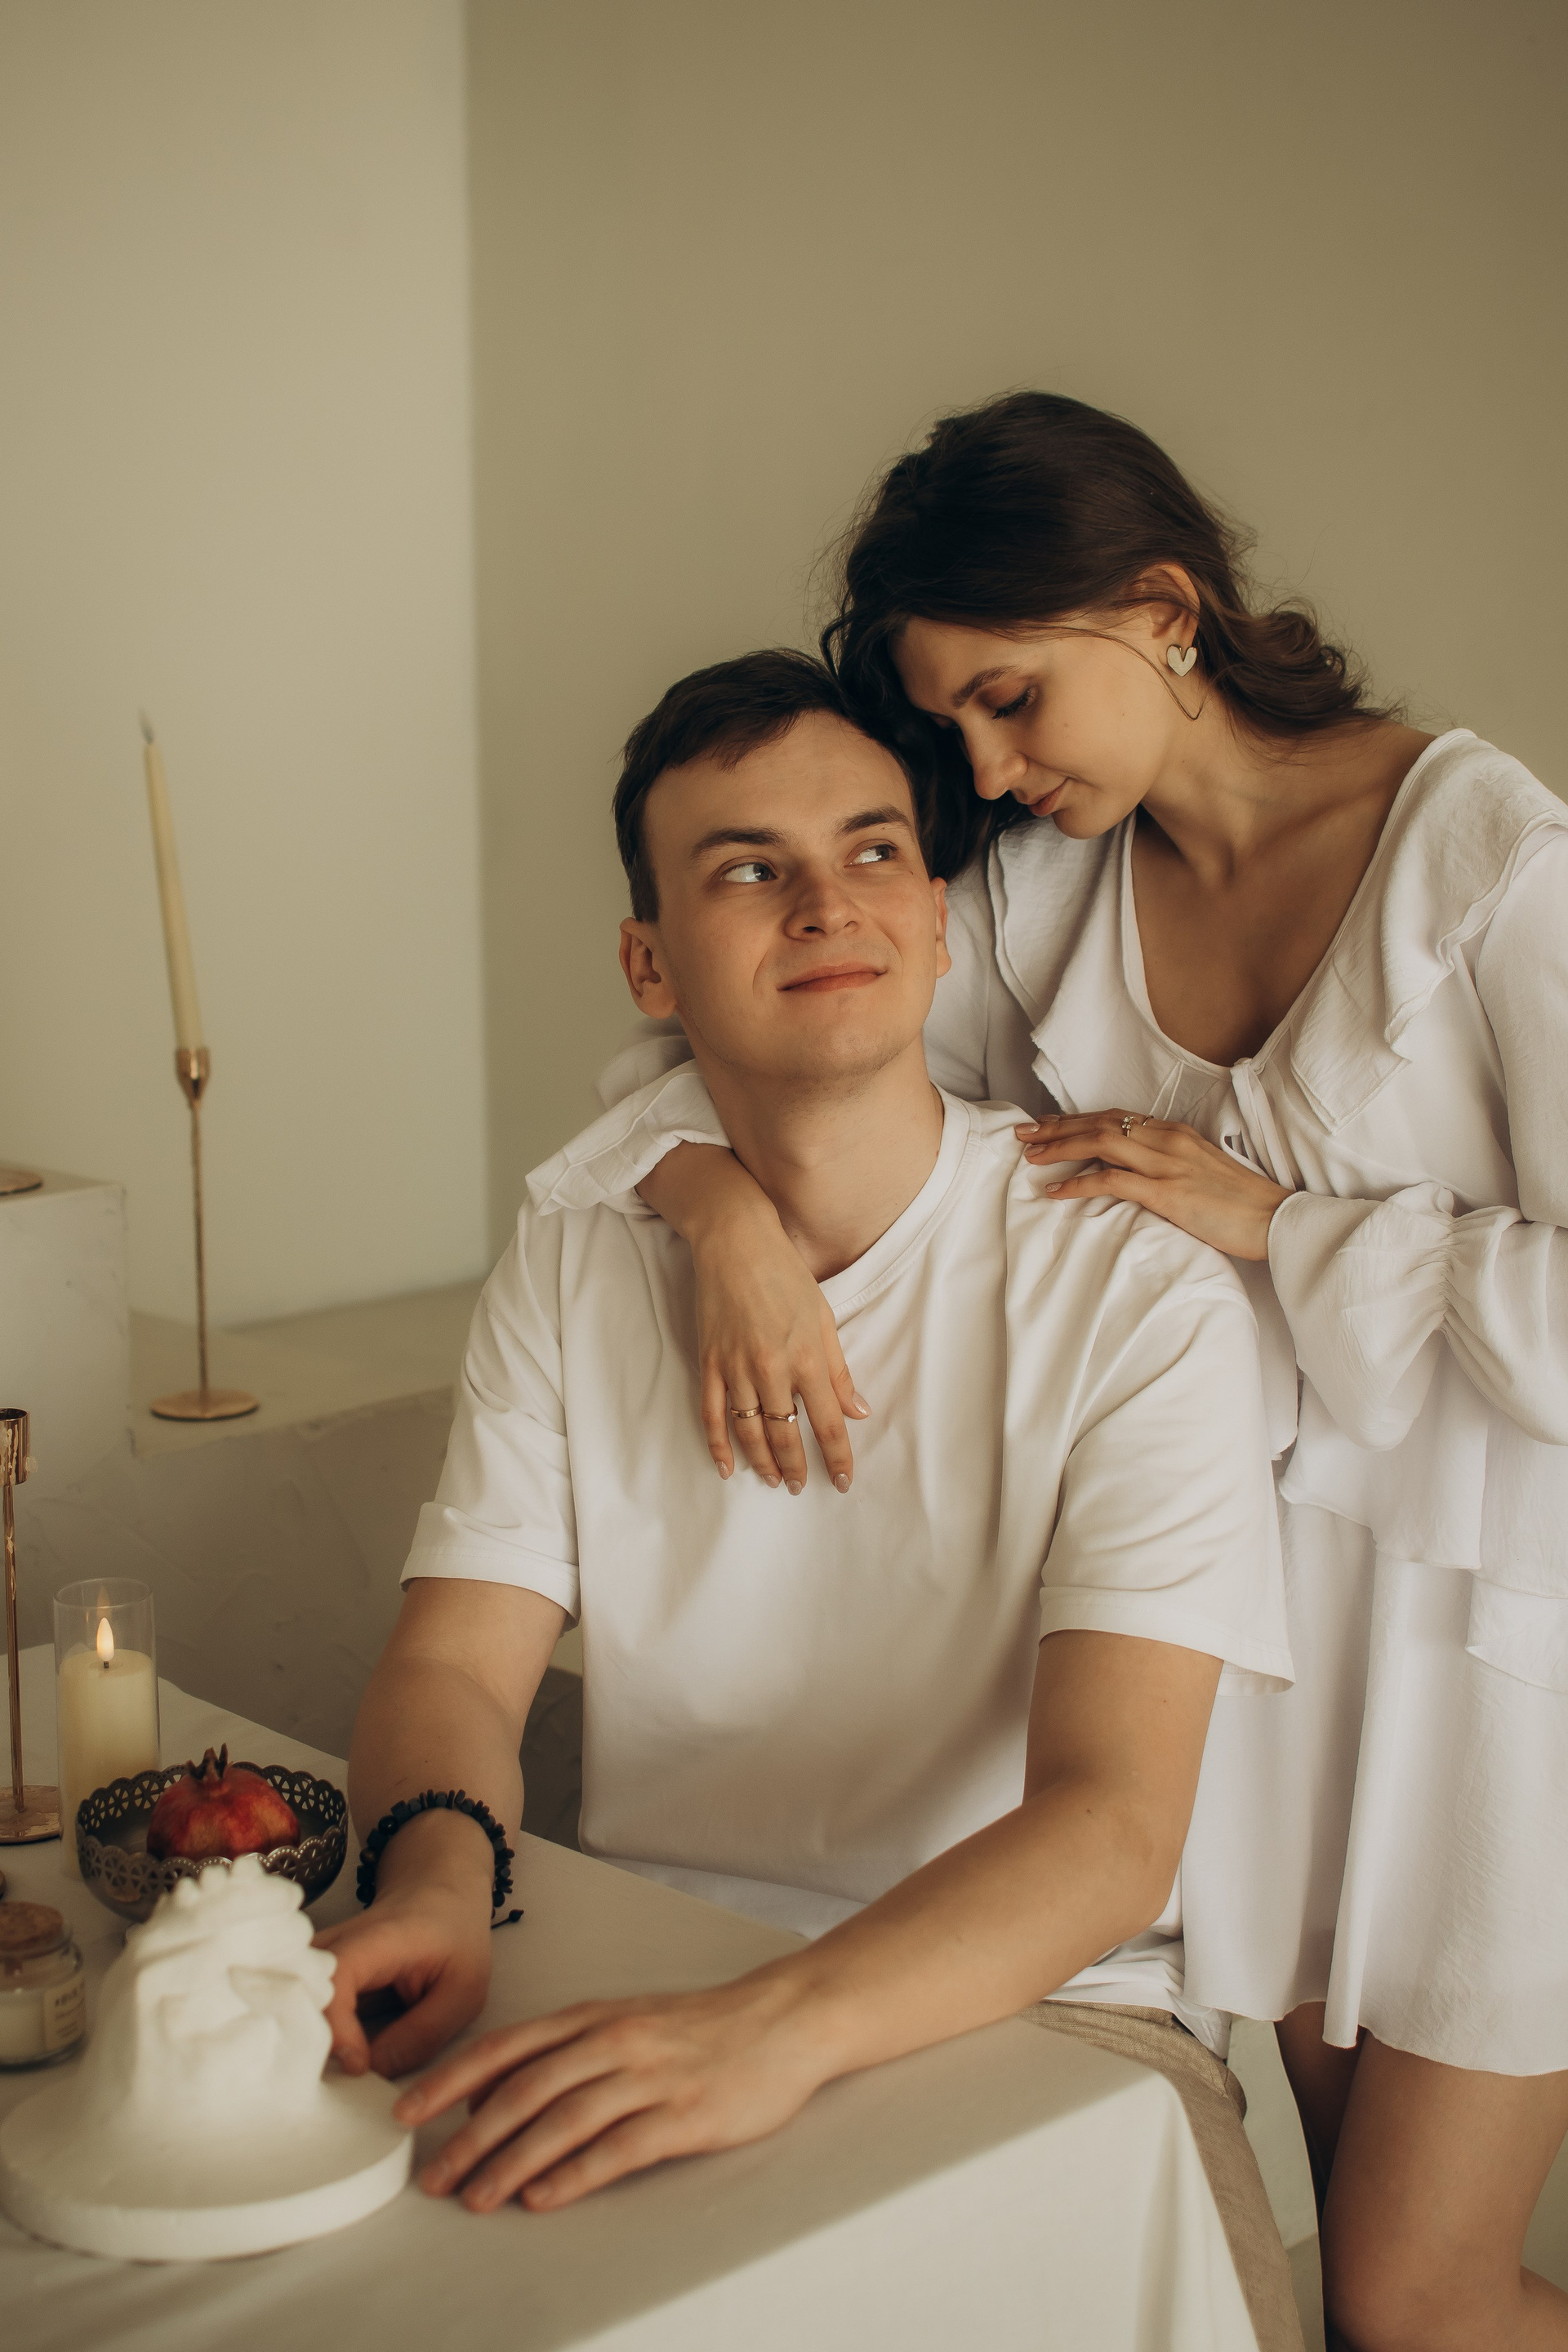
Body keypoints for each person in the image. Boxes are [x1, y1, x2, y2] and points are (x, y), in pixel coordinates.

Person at [555, 397, 1568, 2352]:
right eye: (953, 728)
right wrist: (718, 1213)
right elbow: (761, 1061)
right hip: (1247, 1653)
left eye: (1009, 701)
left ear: (1167, 609)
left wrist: (1283, 1227)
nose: (990, 769)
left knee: (1413, 2299)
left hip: (1489, 1658)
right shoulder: (1044, 894)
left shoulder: (1492, 867)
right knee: (1361, 2302)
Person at [319, 649, 1302, 2347]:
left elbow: (1113, 1826)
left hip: (1059, 2009)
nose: (825, 904)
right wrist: (432, 1883)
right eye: (745, 869)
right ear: (649, 962)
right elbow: (458, 1664)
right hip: (655, 1953)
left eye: (871, 852)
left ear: (936, 915)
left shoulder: (1131, 1287)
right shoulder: (573, 1260)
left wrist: (775, 2030)